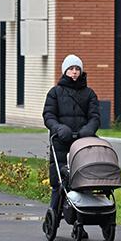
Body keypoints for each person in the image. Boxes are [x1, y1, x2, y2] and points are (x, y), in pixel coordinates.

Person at [42, 54, 101, 210]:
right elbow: (48, 115)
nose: (74, 72)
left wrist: (88, 130)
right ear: (65, 71)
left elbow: (94, 117)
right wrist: (59, 128)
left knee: (83, 180)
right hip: (61, 141)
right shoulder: (55, 93)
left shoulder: (89, 94)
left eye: (77, 69)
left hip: (83, 142)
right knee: (60, 182)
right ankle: (53, 213)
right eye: (71, 69)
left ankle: (81, 219)